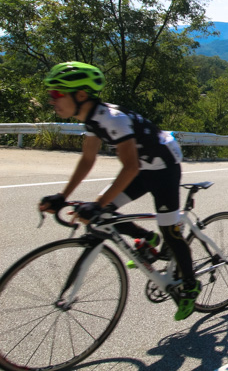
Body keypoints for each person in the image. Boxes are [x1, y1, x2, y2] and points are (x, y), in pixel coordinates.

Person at [38, 61, 200, 321]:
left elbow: (131, 166)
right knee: (102, 215)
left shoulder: (113, 119)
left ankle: (191, 285)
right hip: (142, 168)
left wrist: (99, 203)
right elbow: (87, 160)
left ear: (81, 95)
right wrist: (62, 196)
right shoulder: (91, 119)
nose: (51, 100)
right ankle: (146, 239)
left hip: (164, 166)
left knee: (169, 230)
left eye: (56, 94)